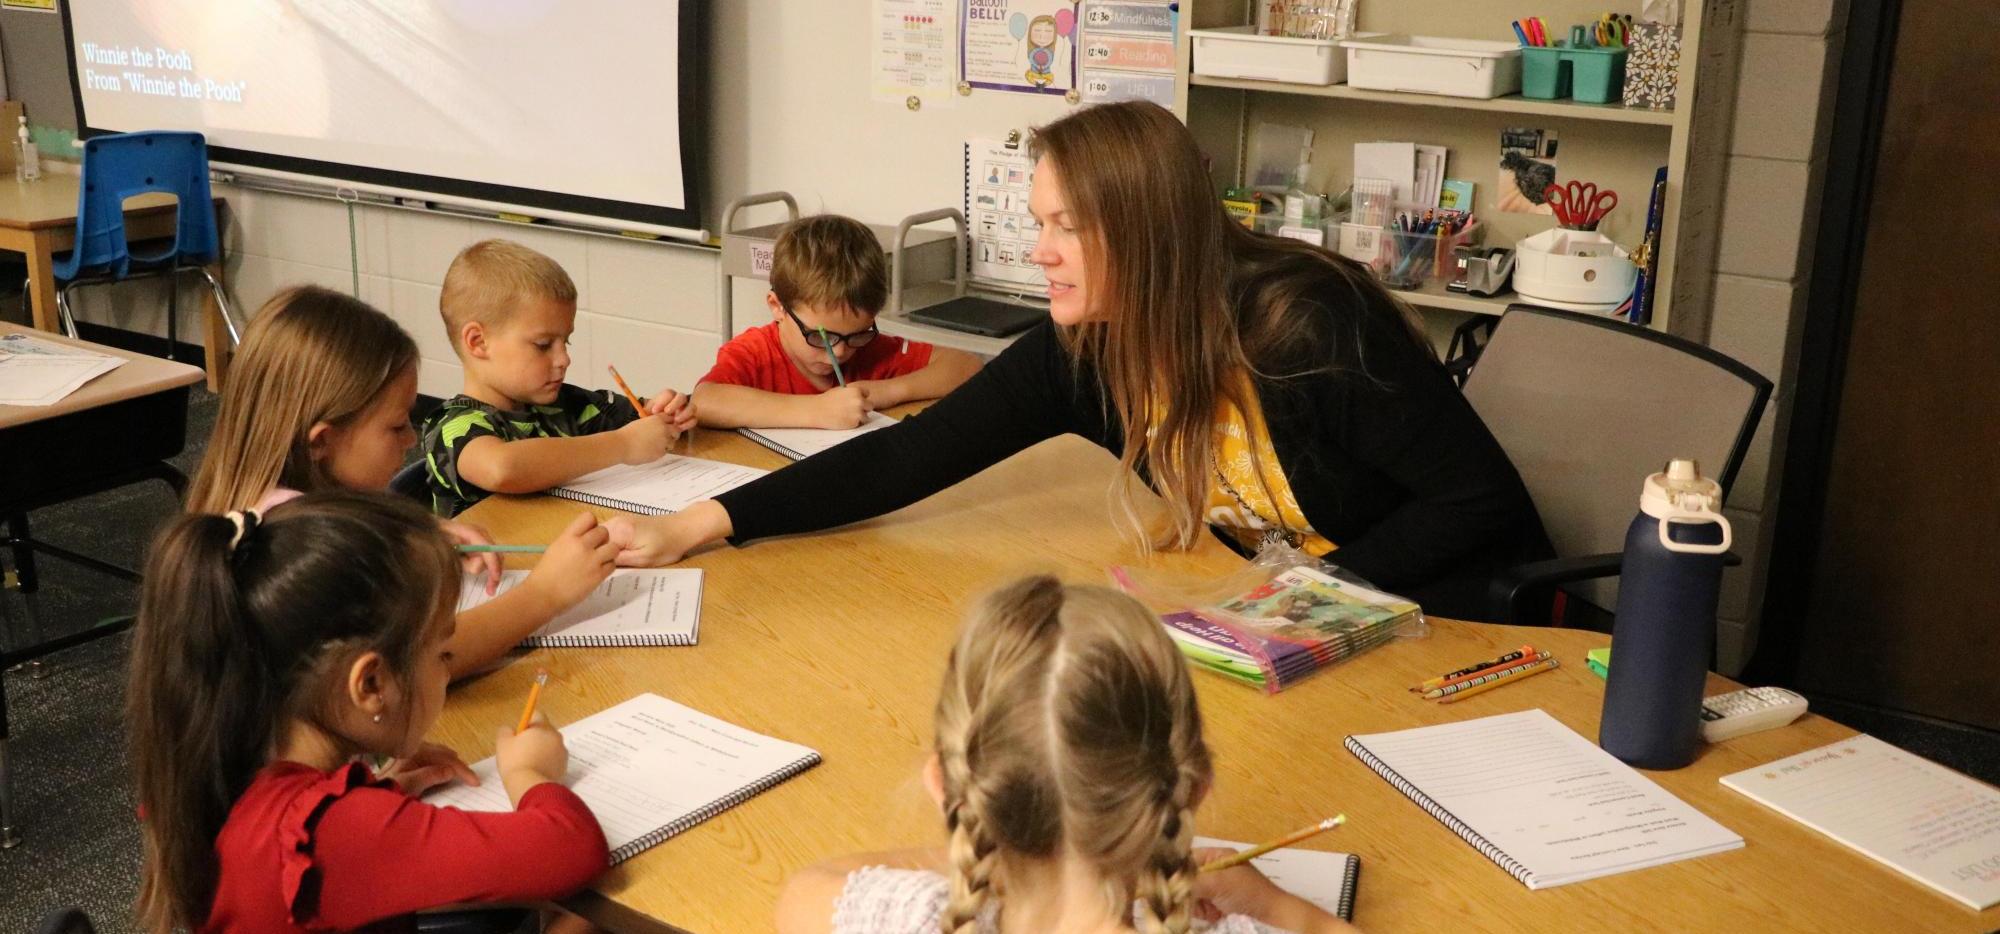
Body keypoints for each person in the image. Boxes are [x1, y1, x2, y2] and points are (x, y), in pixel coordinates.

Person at [611, 101, 1547, 621]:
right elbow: (907, 457)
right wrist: (703, 523)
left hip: (1440, 617)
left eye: (1068, 226)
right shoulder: (1086, 352)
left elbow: (1479, 504)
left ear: (1147, 234)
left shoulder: (1303, 326)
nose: (1041, 250)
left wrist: (1303, 594)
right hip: (1294, 621)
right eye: (1040, 221)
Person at [128, 491, 608, 933]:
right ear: (372, 685)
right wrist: (530, 772)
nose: (447, 667)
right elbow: (571, 849)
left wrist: (385, 792)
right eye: (443, 654)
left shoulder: (216, 749)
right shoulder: (331, 831)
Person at [774, 575, 1360, 934]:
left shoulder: (900, 917)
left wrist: (994, 845)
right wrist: (1286, 912)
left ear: (949, 788)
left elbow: (814, 883)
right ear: (1193, 789)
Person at [186, 284, 619, 676]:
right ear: (321, 441)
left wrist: (418, 530)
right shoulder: (301, 552)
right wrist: (545, 594)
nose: (412, 439)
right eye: (396, 427)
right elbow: (422, 663)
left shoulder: (284, 504)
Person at [420, 239, 697, 517]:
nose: (564, 359)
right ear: (478, 342)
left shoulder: (571, 404)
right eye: (543, 345)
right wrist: (623, 445)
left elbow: (642, 417)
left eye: (566, 342)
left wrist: (667, 412)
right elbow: (503, 469)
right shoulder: (452, 428)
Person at [693, 214, 982, 430]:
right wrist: (816, 410)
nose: (840, 351)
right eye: (820, 336)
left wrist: (887, 391)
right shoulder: (756, 352)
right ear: (777, 307)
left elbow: (967, 366)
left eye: (857, 334)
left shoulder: (871, 349)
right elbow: (706, 401)